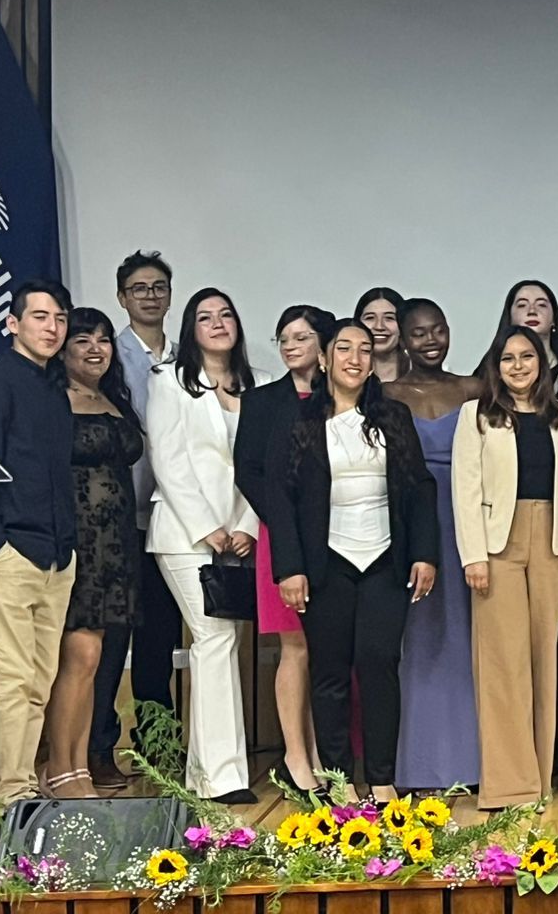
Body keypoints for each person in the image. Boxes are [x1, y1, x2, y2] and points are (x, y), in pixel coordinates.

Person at [274, 320, 439, 804]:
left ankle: (382, 778)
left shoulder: (394, 416)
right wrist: (290, 567)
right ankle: (340, 780)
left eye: (364, 350)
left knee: (380, 663)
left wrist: (424, 553)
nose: (355, 358)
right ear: (324, 359)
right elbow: (281, 499)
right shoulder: (299, 421)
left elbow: (420, 486)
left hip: (386, 560)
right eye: (344, 348)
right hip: (326, 564)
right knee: (329, 672)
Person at [453, 324, 558, 810]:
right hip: (497, 546)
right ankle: (508, 785)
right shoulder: (477, 416)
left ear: (542, 362)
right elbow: (465, 491)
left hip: (552, 541)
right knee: (502, 662)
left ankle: (539, 781)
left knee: (542, 659)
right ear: (496, 365)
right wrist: (473, 555)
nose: (518, 366)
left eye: (527, 357)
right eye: (508, 358)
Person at [144, 287, 264, 803]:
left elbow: (261, 465)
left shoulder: (256, 385)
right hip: (183, 532)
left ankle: (206, 773)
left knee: (222, 641)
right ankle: (222, 779)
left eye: (225, 314)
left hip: (237, 534)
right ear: (191, 330)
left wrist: (247, 525)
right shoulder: (170, 380)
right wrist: (205, 526)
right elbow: (166, 458)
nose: (217, 323)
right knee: (214, 638)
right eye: (205, 317)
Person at [0, 279, 76, 816]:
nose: (52, 327)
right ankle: (8, 798)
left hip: (58, 553)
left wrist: (68, 543)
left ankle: (22, 787)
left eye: (60, 318)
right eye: (40, 317)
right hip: (11, 550)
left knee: (39, 680)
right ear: (12, 323)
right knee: (9, 679)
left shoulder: (54, 389)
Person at [232, 303, 336, 796]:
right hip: (283, 535)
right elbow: (248, 471)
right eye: (284, 339)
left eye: (302, 337)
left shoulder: (341, 396)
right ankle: (296, 755)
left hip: (339, 536)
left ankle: (325, 753)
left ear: (323, 344)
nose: (291, 346)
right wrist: (285, 521)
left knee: (329, 648)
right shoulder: (262, 401)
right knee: (295, 646)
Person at [42, 308, 144, 799]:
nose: (95, 348)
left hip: (118, 546)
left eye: (103, 340)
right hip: (78, 543)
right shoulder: (51, 400)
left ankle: (79, 766)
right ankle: (59, 767)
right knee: (78, 657)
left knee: (97, 659)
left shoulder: (114, 398)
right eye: (83, 340)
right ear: (63, 349)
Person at [89, 250, 180, 791]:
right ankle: (100, 745)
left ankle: (157, 742)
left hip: (173, 518)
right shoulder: (108, 356)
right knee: (111, 641)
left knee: (159, 641)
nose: (150, 295)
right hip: (119, 523)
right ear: (122, 297)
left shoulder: (185, 355)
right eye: (139, 288)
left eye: (159, 286)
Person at [384, 298, 483, 791]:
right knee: (418, 637)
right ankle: (419, 765)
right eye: (419, 332)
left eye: (438, 330)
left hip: (468, 520)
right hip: (410, 524)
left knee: (468, 635)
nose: (430, 340)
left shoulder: (473, 388)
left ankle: (475, 762)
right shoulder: (384, 393)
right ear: (402, 339)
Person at [495, 279, 558, 380]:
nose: (532, 311)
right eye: (522, 305)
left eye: (541, 305)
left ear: (554, 319)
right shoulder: (492, 371)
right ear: (509, 317)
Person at [355, 287, 409, 383]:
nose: (379, 326)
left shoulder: (422, 373)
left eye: (389, 318)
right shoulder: (342, 374)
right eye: (370, 318)